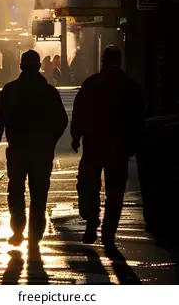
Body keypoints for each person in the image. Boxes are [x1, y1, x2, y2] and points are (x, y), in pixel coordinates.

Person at [71, 45, 144, 251]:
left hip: (94, 144)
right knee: (115, 191)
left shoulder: (92, 83)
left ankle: (91, 218)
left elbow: (80, 111)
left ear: (102, 60)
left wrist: (76, 136)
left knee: (88, 185)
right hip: (119, 147)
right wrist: (134, 143)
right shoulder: (130, 86)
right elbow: (138, 117)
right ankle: (109, 232)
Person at [0, 49, 68, 249]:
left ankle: (17, 230)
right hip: (41, 151)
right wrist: (50, 141)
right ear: (39, 67)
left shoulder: (10, 90)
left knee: (16, 189)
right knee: (39, 192)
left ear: (21, 66)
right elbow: (61, 120)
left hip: (17, 149)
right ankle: (36, 233)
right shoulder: (49, 92)